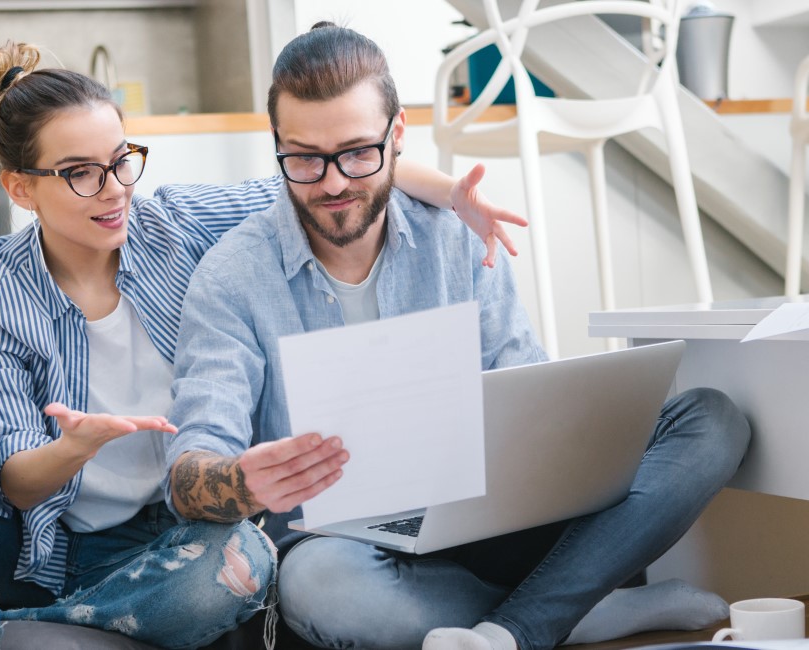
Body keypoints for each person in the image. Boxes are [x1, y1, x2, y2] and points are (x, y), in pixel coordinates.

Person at [0, 41, 527, 650]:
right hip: (77, 546)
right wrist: (76, 447)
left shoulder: (173, 225)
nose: (114, 190)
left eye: (121, 160)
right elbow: (17, 486)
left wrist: (456, 197)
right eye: (80, 173)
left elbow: (323, 173)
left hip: (193, 533)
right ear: (20, 188)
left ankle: (25, 632)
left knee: (242, 569)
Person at [164, 23, 752, 650]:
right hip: (347, 548)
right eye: (304, 158)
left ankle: (523, 624)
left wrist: (556, 447)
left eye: (357, 153)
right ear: (276, 144)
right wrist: (242, 482)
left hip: (489, 517)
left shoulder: (454, 239)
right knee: (320, 587)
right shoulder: (232, 276)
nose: (332, 183)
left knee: (712, 420)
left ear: (397, 138)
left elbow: (531, 388)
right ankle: (569, 615)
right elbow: (186, 470)